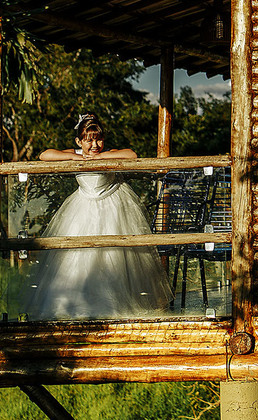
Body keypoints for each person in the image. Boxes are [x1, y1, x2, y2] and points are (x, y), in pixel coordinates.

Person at [23, 114, 172, 320]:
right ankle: (76, 303)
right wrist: (76, 157)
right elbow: (44, 155)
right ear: (79, 141)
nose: (94, 145)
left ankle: (115, 304)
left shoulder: (107, 153)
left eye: (98, 139)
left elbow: (131, 155)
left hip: (113, 206)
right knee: (78, 257)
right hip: (83, 207)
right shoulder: (76, 152)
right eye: (88, 140)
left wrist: (100, 158)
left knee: (114, 258)